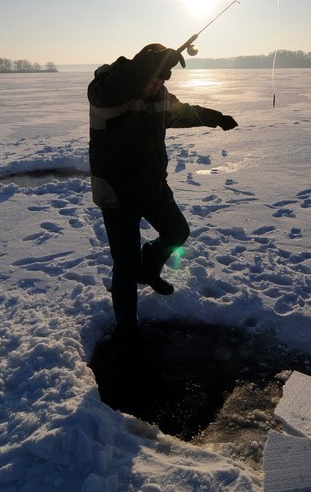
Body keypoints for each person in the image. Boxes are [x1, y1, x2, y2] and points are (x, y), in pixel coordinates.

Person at [87, 43, 238, 338]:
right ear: (141, 68)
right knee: (125, 264)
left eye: (163, 80)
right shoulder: (107, 90)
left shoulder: (159, 94)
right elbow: (114, 89)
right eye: (154, 77)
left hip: (152, 185)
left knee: (177, 232)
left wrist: (215, 118)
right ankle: (126, 328)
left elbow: (181, 113)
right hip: (117, 192)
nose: (158, 84)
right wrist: (148, 64)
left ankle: (150, 268)